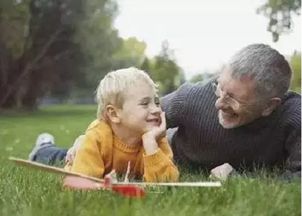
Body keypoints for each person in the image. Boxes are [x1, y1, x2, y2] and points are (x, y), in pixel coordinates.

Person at [162, 43, 300, 179]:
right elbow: (142, 111)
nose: (219, 104)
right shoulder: (191, 98)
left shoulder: (294, 117)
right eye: (220, 88)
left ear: (268, 106)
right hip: (174, 159)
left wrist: (243, 181)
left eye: (233, 98)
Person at [28, 67, 179, 185]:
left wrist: (151, 145)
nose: (156, 109)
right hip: (77, 158)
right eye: (145, 103)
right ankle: (42, 148)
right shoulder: (98, 137)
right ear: (114, 114)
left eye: (156, 102)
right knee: (58, 158)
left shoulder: (154, 138)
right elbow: (79, 183)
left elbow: (167, 183)